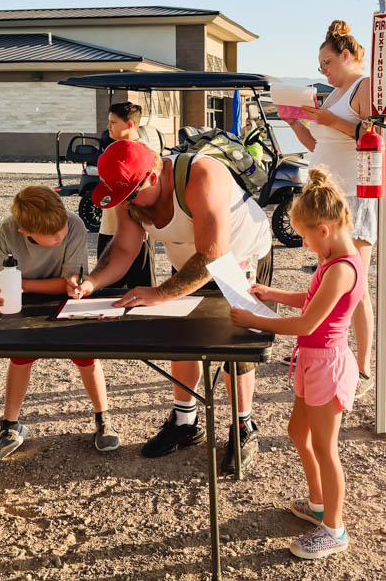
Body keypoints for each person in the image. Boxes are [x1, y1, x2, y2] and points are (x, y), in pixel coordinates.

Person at [72, 140, 272, 473]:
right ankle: (184, 421)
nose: (127, 204)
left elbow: (212, 255)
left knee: (235, 344)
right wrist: (93, 281)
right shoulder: (130, 191)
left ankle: (243, 426)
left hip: (239, 257)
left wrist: (160, 293)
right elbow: (124, 249)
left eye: (130, 196)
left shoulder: (201, 175)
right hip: (192, 261)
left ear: (151, 176)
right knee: (183, 338)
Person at [230, 167, 362, 560]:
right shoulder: (333, 258)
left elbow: (307, 322)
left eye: (304, 237)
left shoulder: (341, 268)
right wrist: (271, 293)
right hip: (313, 361)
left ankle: (334, 529)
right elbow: (310, 302)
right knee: (298, 433)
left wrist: (256, 319)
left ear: (323, 229)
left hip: (328, 364)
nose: (304, 244)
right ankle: (319, 504)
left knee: (325, 447)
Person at [0, 186, 119, 458]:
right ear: (26, 232)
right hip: (22, 305)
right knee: (20, 357)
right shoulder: (7, 230)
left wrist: (21, 284)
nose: (61, 236)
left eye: (61, 229)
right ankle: (10, 424)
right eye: (52, 235)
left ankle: (103, 417)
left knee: (85, 356)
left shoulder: (74, 224)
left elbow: (68, 282)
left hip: (63, 303)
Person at [285, 19, 376, 400]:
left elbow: (375, 135)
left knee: (355, 282)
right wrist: (294, 120)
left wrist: (330, 120)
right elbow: (316, 145)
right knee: (327, 274)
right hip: (327, 193)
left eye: (327, 63)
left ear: (347, 55)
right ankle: (329, 346)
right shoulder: (334, 94)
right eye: (319, 66)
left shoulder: (363, 86)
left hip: (354, 193)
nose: (323, 71)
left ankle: (364, 367)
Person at [96, 102, 156, 289]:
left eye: (113, 122)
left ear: (130, 124)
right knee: (108, 291)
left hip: (138, 232)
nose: (109, 126)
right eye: (109, 122)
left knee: (140, 290)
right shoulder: (111, 151)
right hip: (109, 227)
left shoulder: (146, 154)